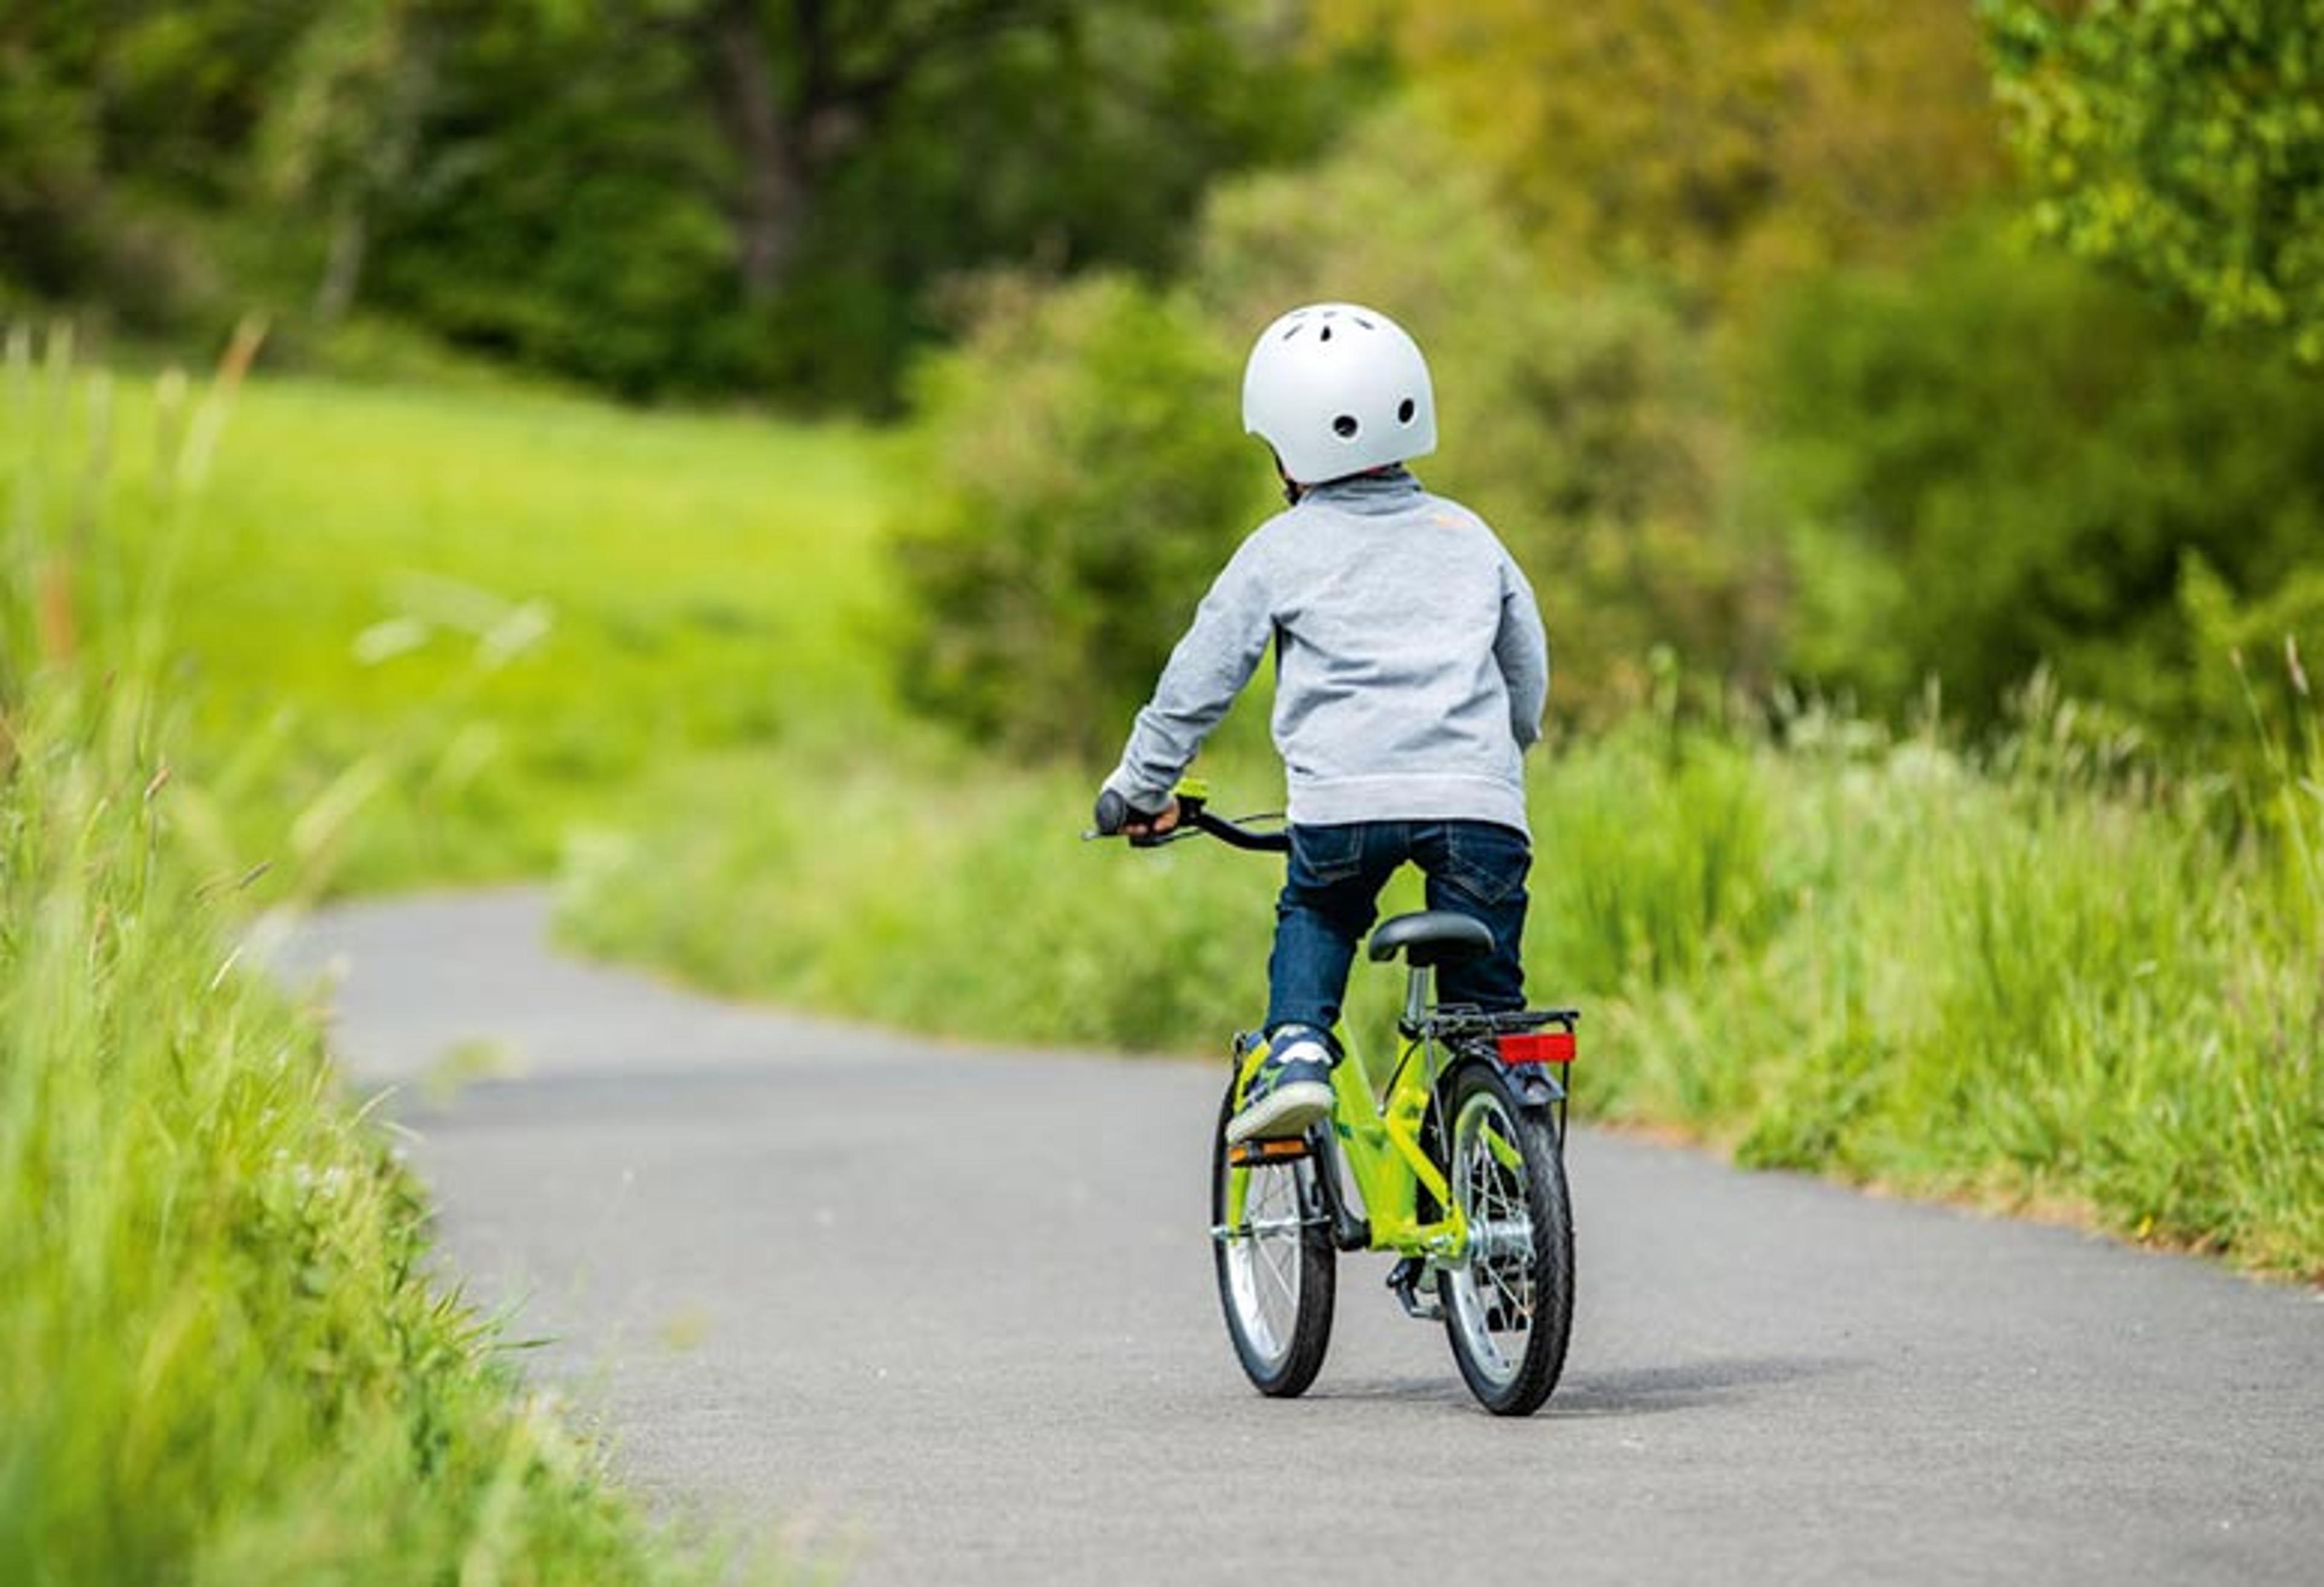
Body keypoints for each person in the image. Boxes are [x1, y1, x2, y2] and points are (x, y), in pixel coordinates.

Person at [1093, 301, 1549, 1144]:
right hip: (1479, 806)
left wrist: (1140, 785)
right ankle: (1506, 1128)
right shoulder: (1469, 534)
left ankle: (1297, 1050)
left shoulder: (1279, 548)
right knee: (1485, 1008)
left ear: (1287, 447)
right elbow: (1526, 660)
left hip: (1345, 810)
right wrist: (1505, 749)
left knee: (1322, 909)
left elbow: (1199, 679)